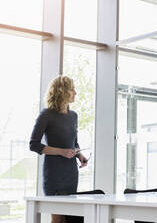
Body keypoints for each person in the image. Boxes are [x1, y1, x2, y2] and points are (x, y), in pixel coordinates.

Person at [29, 76, 88, 223]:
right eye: (72, 89)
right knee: (58, 217)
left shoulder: (74, 116)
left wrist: (80, 155)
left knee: (70, 217)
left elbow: (74, 143)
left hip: (71, 174)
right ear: (62, 91)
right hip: (54, 175)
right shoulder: (46, 115)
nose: (75, 92)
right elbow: (34, 144)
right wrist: (61, 151)